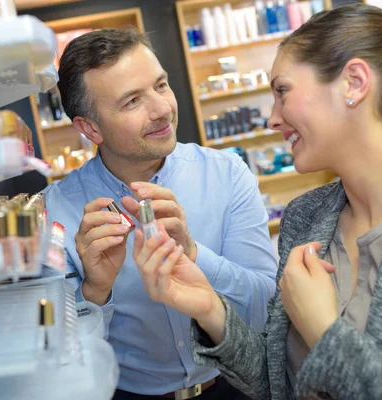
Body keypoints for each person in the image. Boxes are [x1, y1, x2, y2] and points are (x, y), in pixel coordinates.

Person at [134, 4, 382, 399]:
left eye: (282, 92)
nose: (273, 119)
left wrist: (325, 332)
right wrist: (210, 308)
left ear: (354, 83)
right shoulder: (306, 217)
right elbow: (280, 382)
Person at [43, 29, 278, 399]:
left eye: (161, 85)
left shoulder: (227, 174)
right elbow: (56, 356)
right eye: (133, 101)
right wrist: (95, 291)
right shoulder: (55, 210)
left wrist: (195, 254)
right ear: (89, 128)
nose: (162, 109)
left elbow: (268, 308)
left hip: (234, 386)